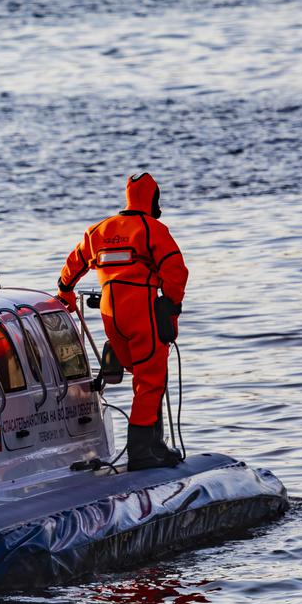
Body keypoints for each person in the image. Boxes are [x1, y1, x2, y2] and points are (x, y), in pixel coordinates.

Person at [56, 172, 188, 471]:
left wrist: (65, 292)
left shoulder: (100, 229)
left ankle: (153, 445)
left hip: (109, 313)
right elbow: (175, 270)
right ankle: (143, 452)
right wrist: (171, 307)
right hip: (140, 306)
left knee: (141, 376)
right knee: (150, 379)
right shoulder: (152, 228)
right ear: (153, 200)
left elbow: (73, 264)